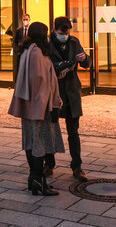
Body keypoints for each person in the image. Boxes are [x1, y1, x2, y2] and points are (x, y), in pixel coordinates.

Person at [8, 22, 64, 197]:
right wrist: (51, 105)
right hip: (39, 107)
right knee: (39, 142)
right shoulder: (38, 52)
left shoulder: (28, 49)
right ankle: (38, 181)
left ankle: (34, 181)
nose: (48, 35)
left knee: (31, 142)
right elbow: (41, 81)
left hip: (29, 105)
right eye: (46, 32)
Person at [45, 16, 91, 182]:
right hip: (54, 90)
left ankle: (77, 166)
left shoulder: (73, 41)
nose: (65, 34)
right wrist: (62, 67)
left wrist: (85, 59)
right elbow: (47, 64)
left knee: (73, 131)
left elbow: (86, 62)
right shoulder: (48, 43)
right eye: (62, 31)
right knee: (50, 129)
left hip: (71, 91)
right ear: (55, 29)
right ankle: (49, 164)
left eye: (67, 31)